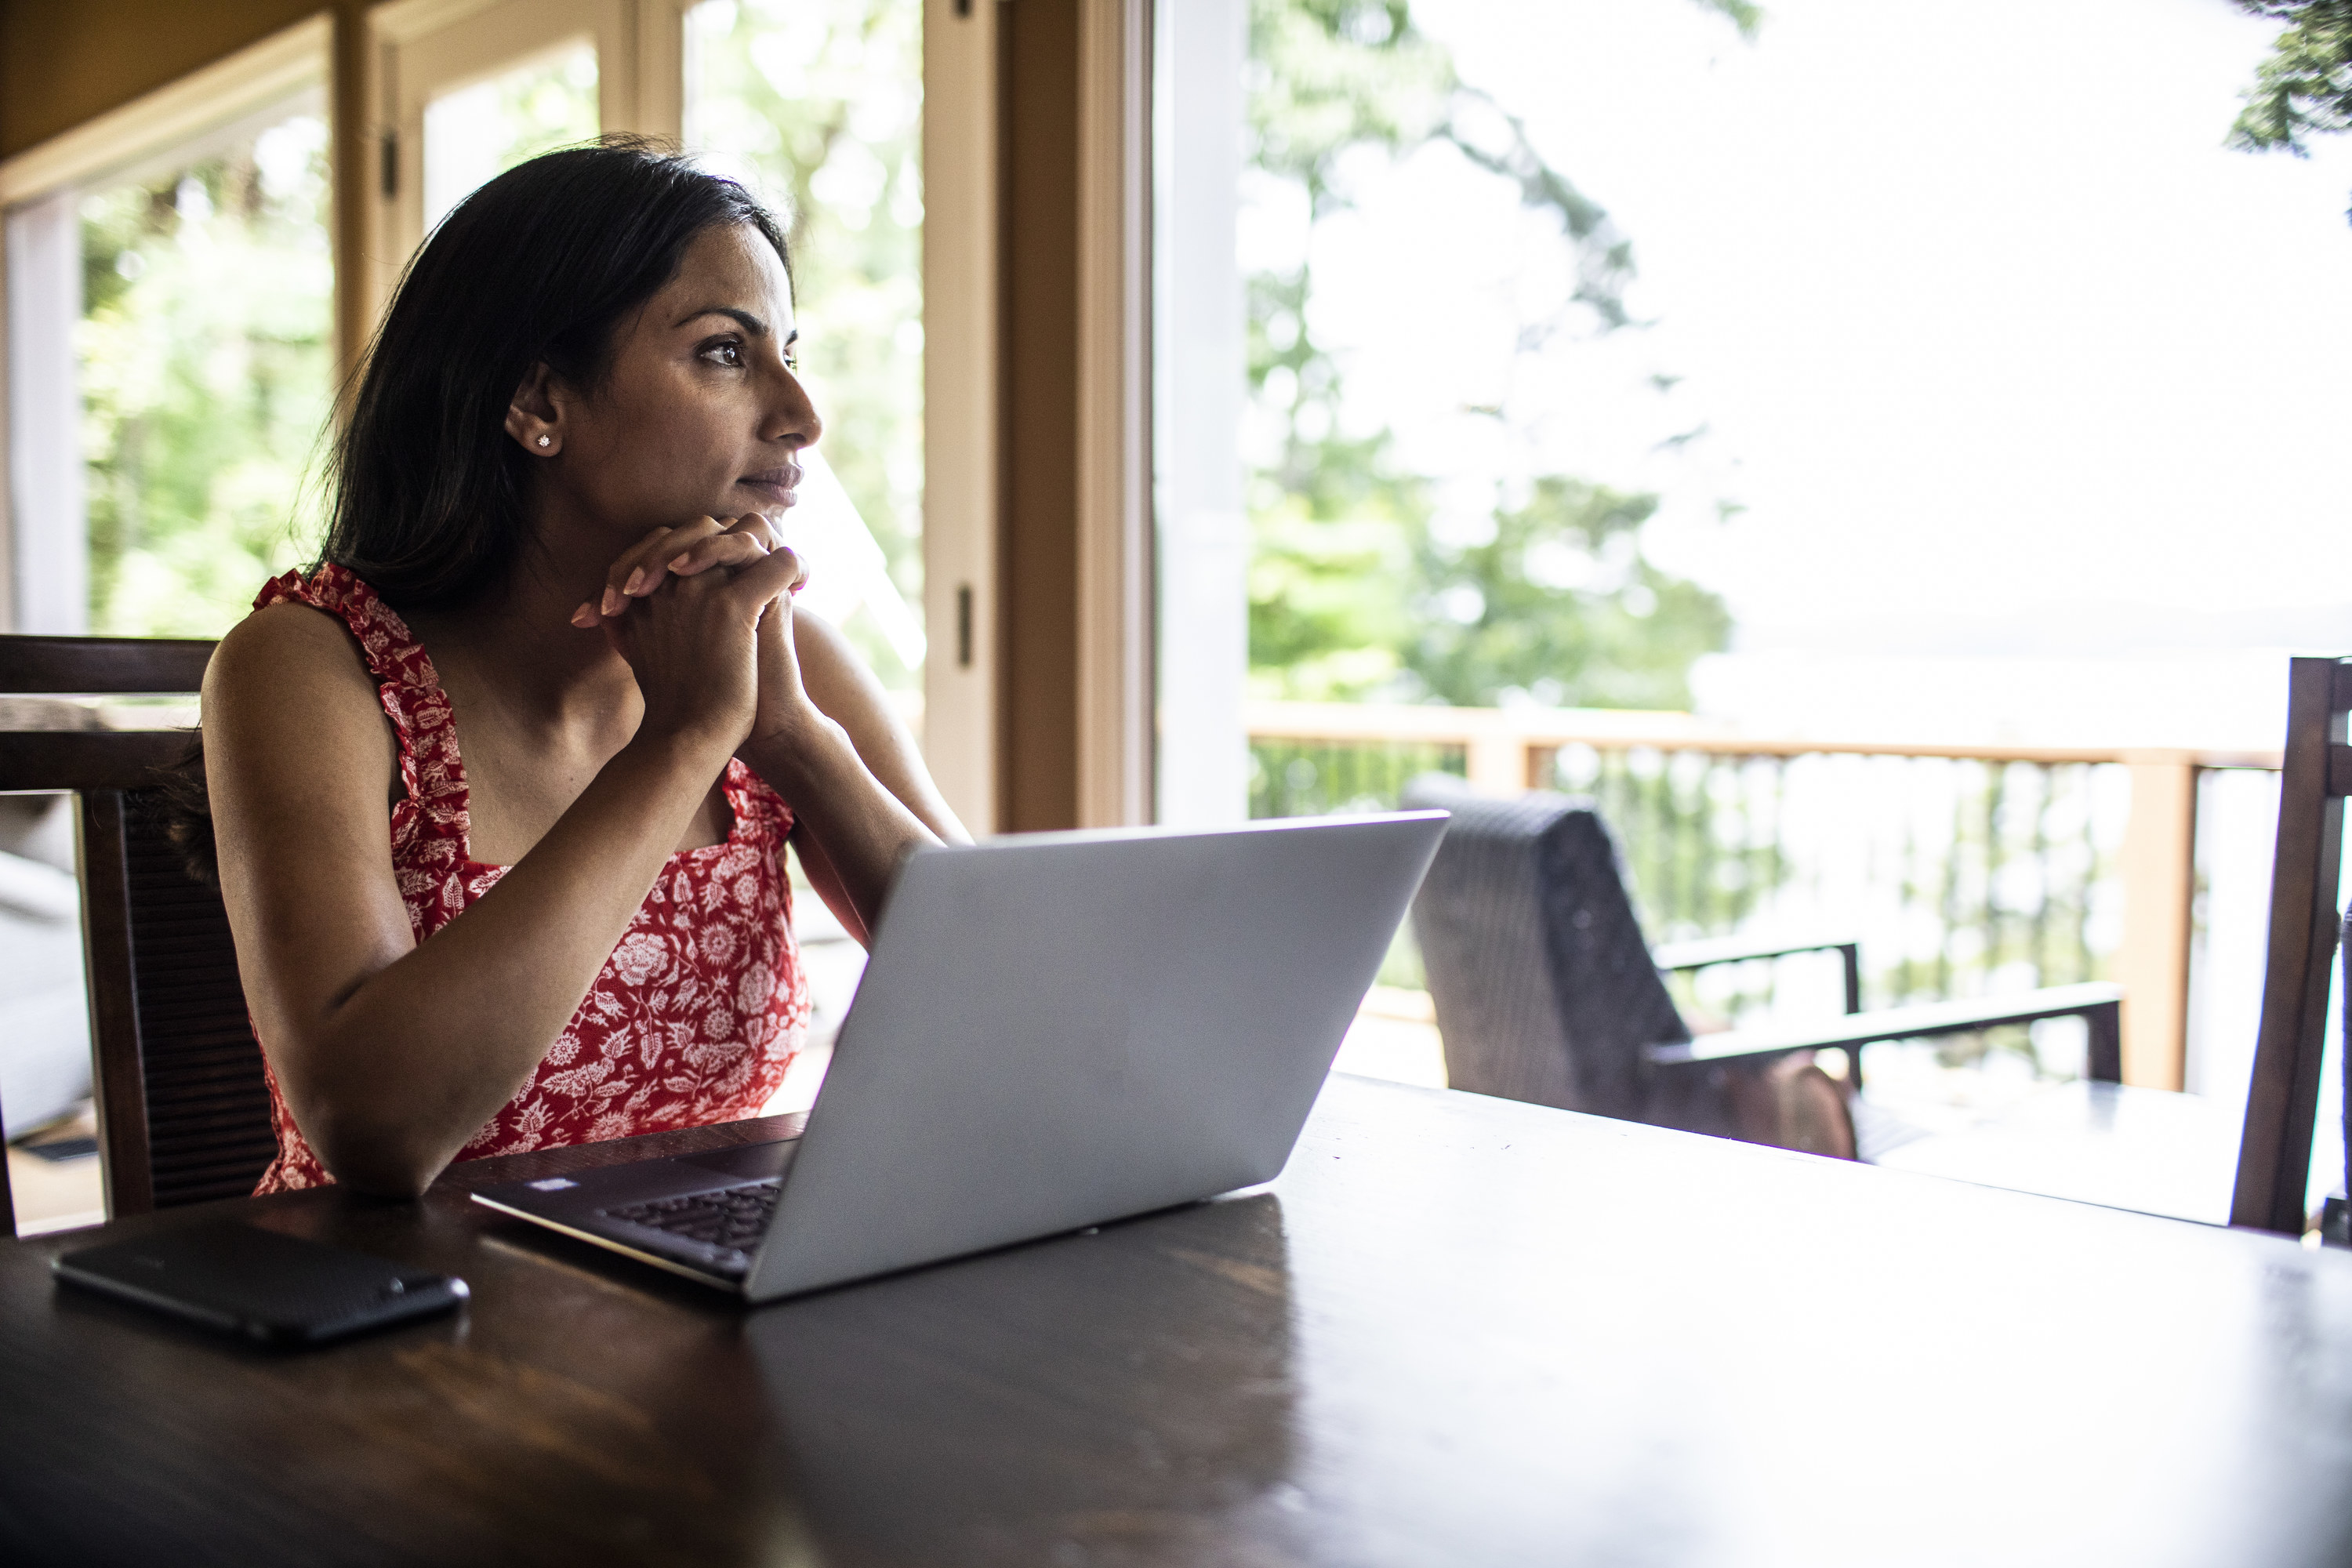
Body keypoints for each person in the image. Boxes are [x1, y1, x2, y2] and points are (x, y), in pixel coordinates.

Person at [197, 140, 964, 1199]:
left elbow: (1003, 1002)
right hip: (398, 1323)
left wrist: (786, 735)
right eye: (724, 354)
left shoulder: (782, 653)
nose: (801, 415)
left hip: (704, 1300)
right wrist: (685, 738)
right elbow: (372, 1127)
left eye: (790, 352)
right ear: (540, 402)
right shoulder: (312, 668)